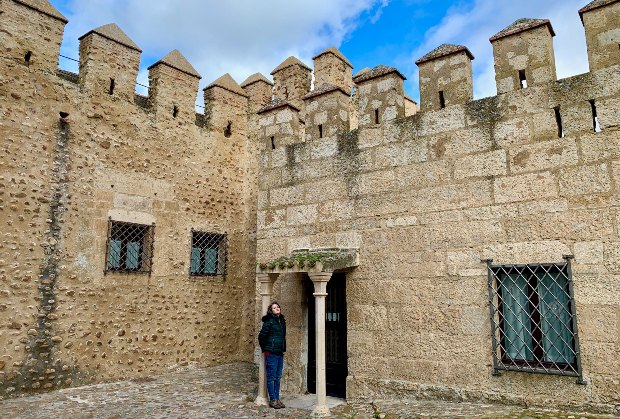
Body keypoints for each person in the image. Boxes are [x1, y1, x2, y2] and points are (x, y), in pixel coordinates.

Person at [258, 301, 287, 409]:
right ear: (271, 310)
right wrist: (266, 349)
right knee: (271, 376)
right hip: (271, 353)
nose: (277, 308)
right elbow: (261, 336)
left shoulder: (282, 321)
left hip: (279, 352)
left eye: (278, 307)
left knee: (278, 376)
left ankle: (277, 398)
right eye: (274, 308)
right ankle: (273, 400)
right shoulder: (269, 322)